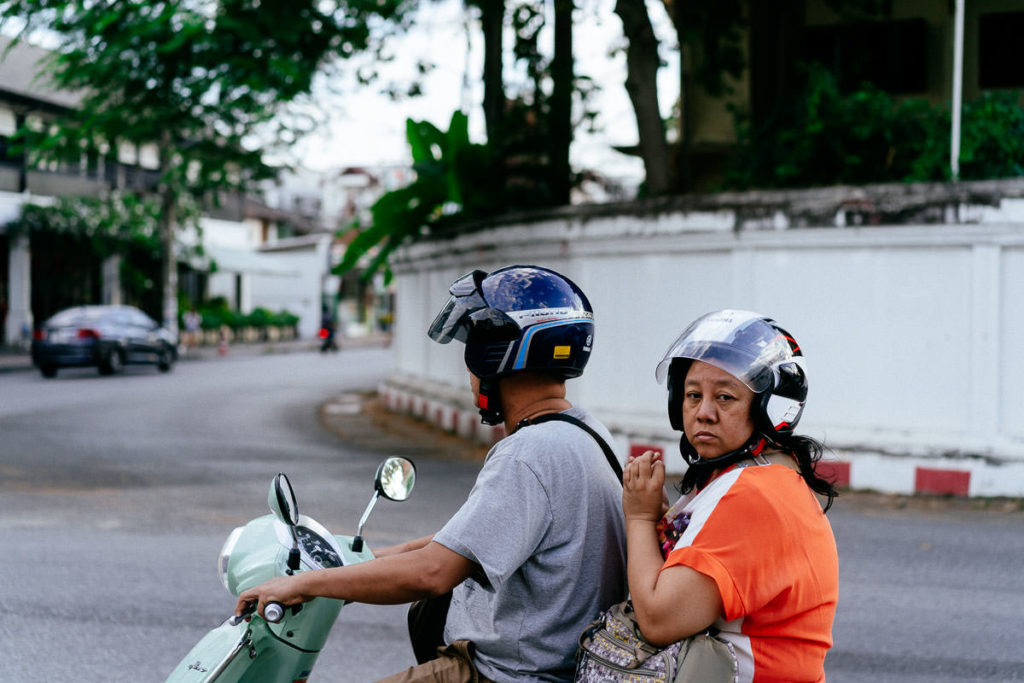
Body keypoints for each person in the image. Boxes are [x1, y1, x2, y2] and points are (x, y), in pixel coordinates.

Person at [236, 265, 627, 682]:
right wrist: (342, 564)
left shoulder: (528, 454)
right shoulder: (585, 433)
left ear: (497, 351)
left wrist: (305, 586)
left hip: (506, 674)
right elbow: (458, 543)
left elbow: (432, 572)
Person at [622, 309, 838, 683]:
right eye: (692, 395)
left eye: (725, 397)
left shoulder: (755, 493)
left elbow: (658, 619)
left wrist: (639, 519)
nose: (703, 413)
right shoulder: (761, 475)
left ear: (769, 409)